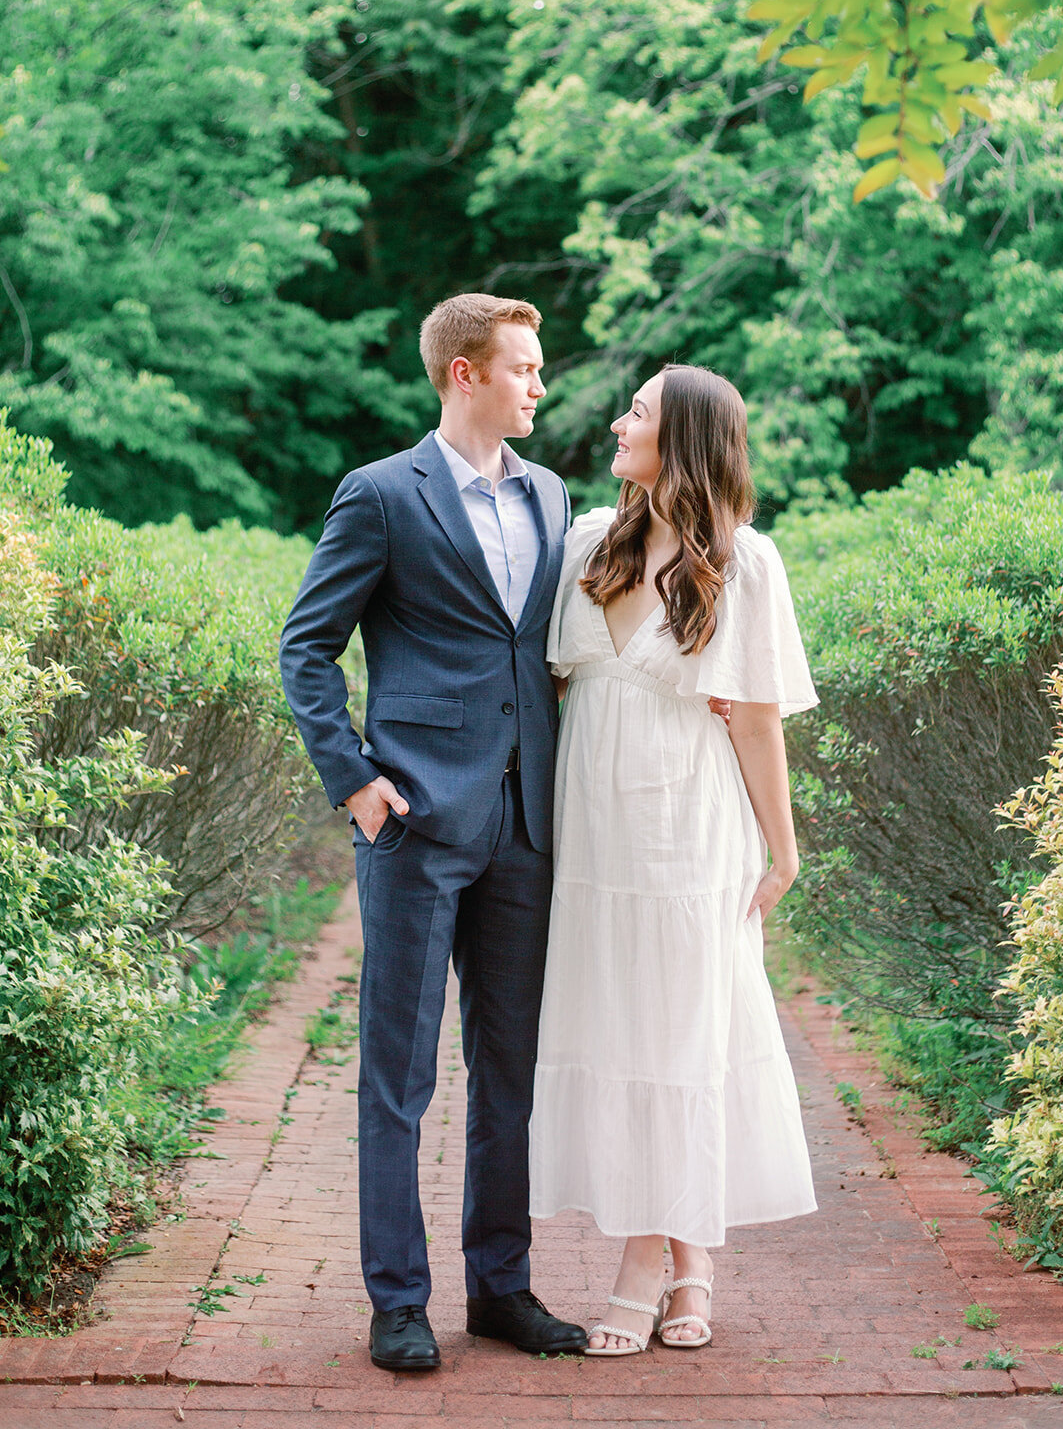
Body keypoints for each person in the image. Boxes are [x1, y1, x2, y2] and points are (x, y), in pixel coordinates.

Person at [279, 293, 587, 1372]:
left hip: (523, 825)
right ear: (465, 373)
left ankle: (500, 1288)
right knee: (397, 1074)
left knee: (509, 1073)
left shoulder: (552, 494)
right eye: (524, 368)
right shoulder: (378, 495)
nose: (539, 385)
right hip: (412, 822)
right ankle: (397, 1300)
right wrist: (354, 782)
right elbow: (305, 648)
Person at [529, 363, 819, 1356]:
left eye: (638, 412)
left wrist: (781, 849)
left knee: (678, 1036)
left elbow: (755, 720)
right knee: (627, 1036)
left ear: (685, 439)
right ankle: (692, 1260)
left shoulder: (746, 565)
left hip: (686, 833)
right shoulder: (582, 545)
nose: (616, 421)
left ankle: (645, 1266)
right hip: (592, 836)